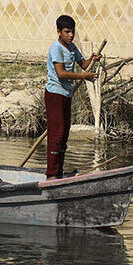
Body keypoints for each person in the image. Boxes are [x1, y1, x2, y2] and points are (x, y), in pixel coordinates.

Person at [43, 14, 100, 179]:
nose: (70, 35)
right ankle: (51, 174)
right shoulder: (56, 49)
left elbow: (83, 64)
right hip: (55, 94)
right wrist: (84, 76)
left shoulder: (72, 47)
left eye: (72, 32)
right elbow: (60, 73)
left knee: (64, 133)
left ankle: (58, 171)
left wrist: (92, 59)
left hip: (66, 94)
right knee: (56, 134)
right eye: (67, 32)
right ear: (59, 32)